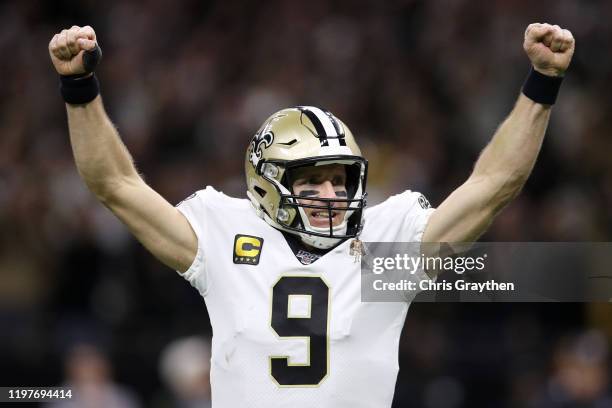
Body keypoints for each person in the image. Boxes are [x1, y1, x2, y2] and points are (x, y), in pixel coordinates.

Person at [48, 23, 575, 407]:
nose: (330, 192)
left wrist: (541, 85)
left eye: (340, 180)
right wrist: (80, 90)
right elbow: (114, 185)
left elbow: (492, 187)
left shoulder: (385, 248)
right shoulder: (226, 232)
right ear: (268, 182)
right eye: (311, 179)